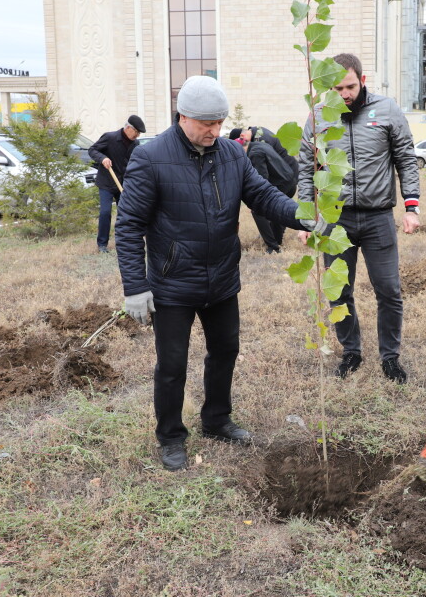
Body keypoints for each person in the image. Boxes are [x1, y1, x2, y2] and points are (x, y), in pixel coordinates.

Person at [115, 76, 309, 472]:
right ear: (183, 116)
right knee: (172, 366)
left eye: (220, 123)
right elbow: (129, 224)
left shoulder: (231, 155)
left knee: (225, 351)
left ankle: (217, 419)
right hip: (173, 283)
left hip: (221, 278)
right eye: (207, 124)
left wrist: (301, 215)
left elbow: (263, 195)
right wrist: (135, 286)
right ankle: (171, 436)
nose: (215, 131)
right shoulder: (151, 158)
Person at [297, 53, 420, 383]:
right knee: (338, 291)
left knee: (389, 291)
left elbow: (407, 160)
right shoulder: (319, 117)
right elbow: (306, 171)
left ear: (362, 81)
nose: (344, 94)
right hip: (335, 220)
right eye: (337, 88)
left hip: (378, 216)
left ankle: (390, 358)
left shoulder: (388, 111)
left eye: (350, 86)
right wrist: (307, 217)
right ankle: (351, 352)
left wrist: (412, 207)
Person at [229, 126, 297, 253]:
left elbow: (262, 179)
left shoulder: (254, 154)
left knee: (258, 210)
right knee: (277, 211)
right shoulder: (259, 145)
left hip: (283, 185)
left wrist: (256, 201)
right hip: (290, 183)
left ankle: (272, 246)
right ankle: (277, 240)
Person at [88, 114, 145, 254]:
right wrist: (103, 158)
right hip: (107, 182)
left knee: (126, 214)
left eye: (139, 133)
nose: (137, 135)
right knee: (105, 212)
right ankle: (102, 244)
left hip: (124, 184)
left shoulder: (135, 144)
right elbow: (92, 150)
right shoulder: (110, 137)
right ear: (128, 128)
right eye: (136, 132)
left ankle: (125, 242)